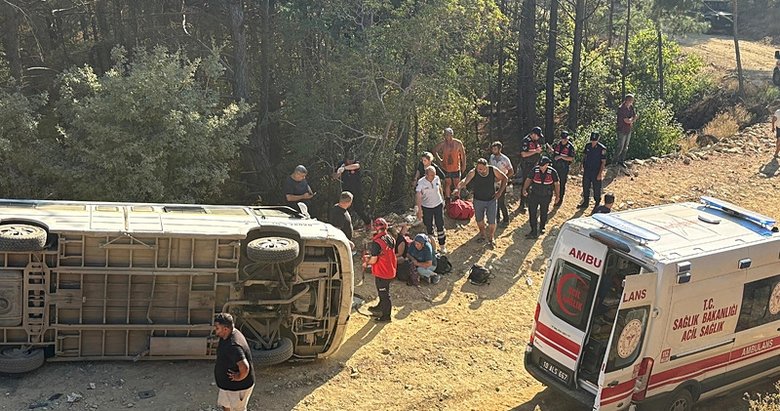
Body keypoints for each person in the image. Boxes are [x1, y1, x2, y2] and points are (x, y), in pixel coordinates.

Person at [456, 158, 508, 247]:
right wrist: (458, 187)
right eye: (478, 168)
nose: (479, 170)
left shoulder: (493, 170)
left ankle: (491, 237)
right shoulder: (473, 172)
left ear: (486, 166)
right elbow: (465, 180)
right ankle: (482, 235)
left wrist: (499, 192)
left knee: (492, 221)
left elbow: (505, 178)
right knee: (479, 219)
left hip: (491, 200)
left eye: (481, 168)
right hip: (478, 200)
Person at [213, 313, 255, 411]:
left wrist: (238, 377)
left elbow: (245, 367)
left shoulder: (234, 346)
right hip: (227, 387)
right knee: (226, 406)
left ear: (226, 329)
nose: (215, 330)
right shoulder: (228, 334)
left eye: (217, 328)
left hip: (238, 388)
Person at [366, 218, 396, 322]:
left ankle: (386, 316)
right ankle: (380, 307)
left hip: (382, 272)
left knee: (384, 294)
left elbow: (374, 260)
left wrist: (367, 262)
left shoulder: (377, 242)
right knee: (383, 291)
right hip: (390, 269)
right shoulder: (390, 238)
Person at [522, 156, 560, 239]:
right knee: (532, 212)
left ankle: (542, 226)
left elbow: (557, 184)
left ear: (547, 164)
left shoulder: (552, 172)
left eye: (542, 165)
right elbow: (528, 179)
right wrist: (524, 189)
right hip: (534, 195)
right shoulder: (535, 170)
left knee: (544, 212)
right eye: (540, 165)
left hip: (546, 196)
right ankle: (533, 231)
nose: (541, 167)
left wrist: (557, 196)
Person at [333, 153, 371, 229]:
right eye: (349, 160)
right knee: (344, 208)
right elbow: (334, 176)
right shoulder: (341, 163)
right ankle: (345, 227)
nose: (350, 161)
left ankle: (368, 223)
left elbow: (357, 166)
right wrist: (338, 172)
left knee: (359, 208)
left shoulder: (356, 163)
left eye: (352, 160)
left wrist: (345, 168)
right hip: (346, 191)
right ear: (346, 159)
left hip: (357, 190)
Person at [415, 165, 447, 253]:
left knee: (440, 224)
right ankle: (432, 247)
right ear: (426, 175)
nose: (433, 177)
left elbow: (440, 189)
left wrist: (443, 200)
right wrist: (419, 209)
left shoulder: (436, 179)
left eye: (434, 175)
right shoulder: (421, 182)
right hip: (427, 207)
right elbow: (418, 195)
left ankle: (442, 245)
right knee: (429, 226)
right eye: (431, 175)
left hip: (438, 204)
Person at [433, 128, 466, 201]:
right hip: (446, 168)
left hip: (456, 167)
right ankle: (447, 200)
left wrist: (464, 165)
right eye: (445, 135)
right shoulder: (443, 143)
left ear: (452, 134)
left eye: (448, 134)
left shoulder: (458, 143)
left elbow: (463, 155)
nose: (447, 136)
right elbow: (434, 150)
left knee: (457, 183)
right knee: (448, 183)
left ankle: (457, 200)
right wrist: (440, 161)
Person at [578, 132, 607, 211]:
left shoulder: (602, 148)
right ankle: (585, 202)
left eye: (594, 140)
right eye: (592, 140)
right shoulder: (588, 146)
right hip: (587, 169)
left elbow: (603, 162)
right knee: (585, 186)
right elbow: (584, 156)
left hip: (596, 170)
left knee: (596, 188)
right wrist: (581, 165)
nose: (593, 142)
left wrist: (600, 173)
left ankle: (597, 203)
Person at [518, 127, 544, 213]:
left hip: (534, 165)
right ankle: (522, 204)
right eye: (537, 136)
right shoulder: (526, 141)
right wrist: (536, 151)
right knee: (526, 184)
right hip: (527, 165)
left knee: (533, 184)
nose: (538, 138)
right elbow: (524, 154)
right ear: (533, 134)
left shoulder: (535, 141)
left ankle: (528, 201)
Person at [489, 141, 514, 227]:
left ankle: (506, 219)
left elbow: (511, 171)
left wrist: (503, 177)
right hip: (493, 182)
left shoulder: (505, 159)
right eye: (493, 149)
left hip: (502, 182)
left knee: (501, 201)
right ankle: (497, 218)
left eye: (495, 149)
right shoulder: (491, 157)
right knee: (493, 200)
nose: (493, 150)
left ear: (500, 149)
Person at [549, 131, 575, 207]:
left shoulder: (570, 147)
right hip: (555, 166)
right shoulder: (556, 144)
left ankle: (560, 199)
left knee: (561, 184)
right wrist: (551, 151)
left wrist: (561, 157)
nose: (564, 140)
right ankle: (550, 198)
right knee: (552, 183)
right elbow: (554, 153)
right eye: (563, 138)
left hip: (563, 168)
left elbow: (571, 158)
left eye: (565, 139)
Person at [615, 94, 638, 167]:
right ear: (627, 100)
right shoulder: (621, 108)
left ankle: (621, 161)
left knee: (626, 147)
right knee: (620, 147)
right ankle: (614, 162)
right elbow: (626, 120)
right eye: (631, 100)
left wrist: (631, 119)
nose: (632, 102)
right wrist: (632, 120)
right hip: (621, 130)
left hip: (628, 130)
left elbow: (635, 116)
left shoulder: (631, 107)